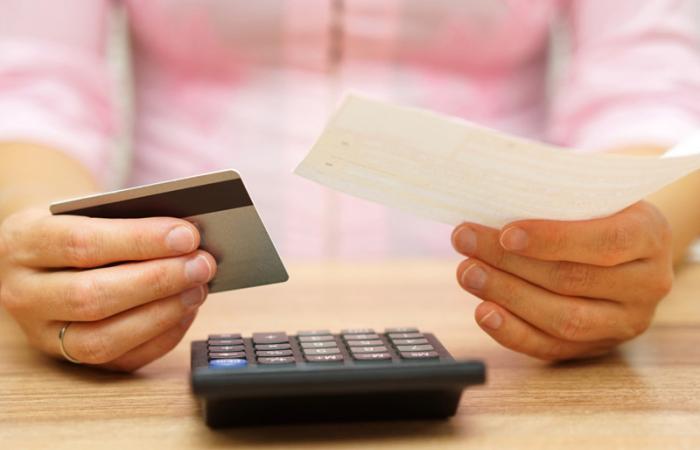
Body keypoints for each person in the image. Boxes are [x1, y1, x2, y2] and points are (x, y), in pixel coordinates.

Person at [1, 0, 699, 371]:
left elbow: (653, 91)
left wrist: (627, 246)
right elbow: (33, 87)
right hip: (161, 330)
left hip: (512, 335)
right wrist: (49, 246)